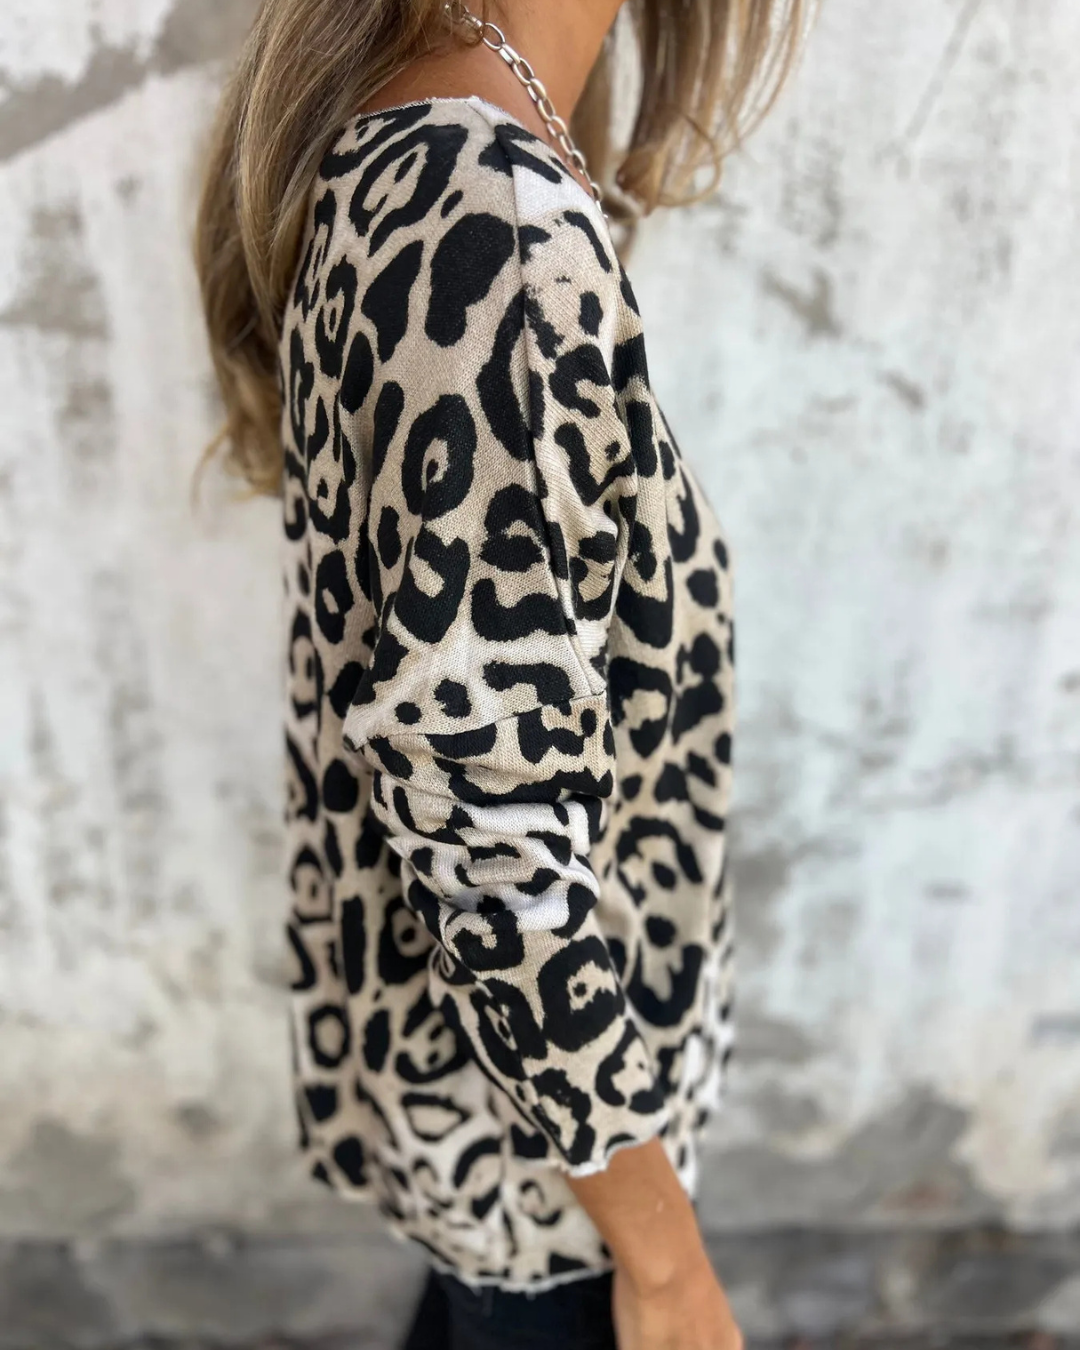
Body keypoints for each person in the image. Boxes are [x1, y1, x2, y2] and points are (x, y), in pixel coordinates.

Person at [195, 1, 804, 1345]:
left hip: (512, 1134)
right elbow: (495, 850)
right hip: (557, 1170)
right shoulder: (489, 219)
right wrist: (665, 1266)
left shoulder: (426, 146)